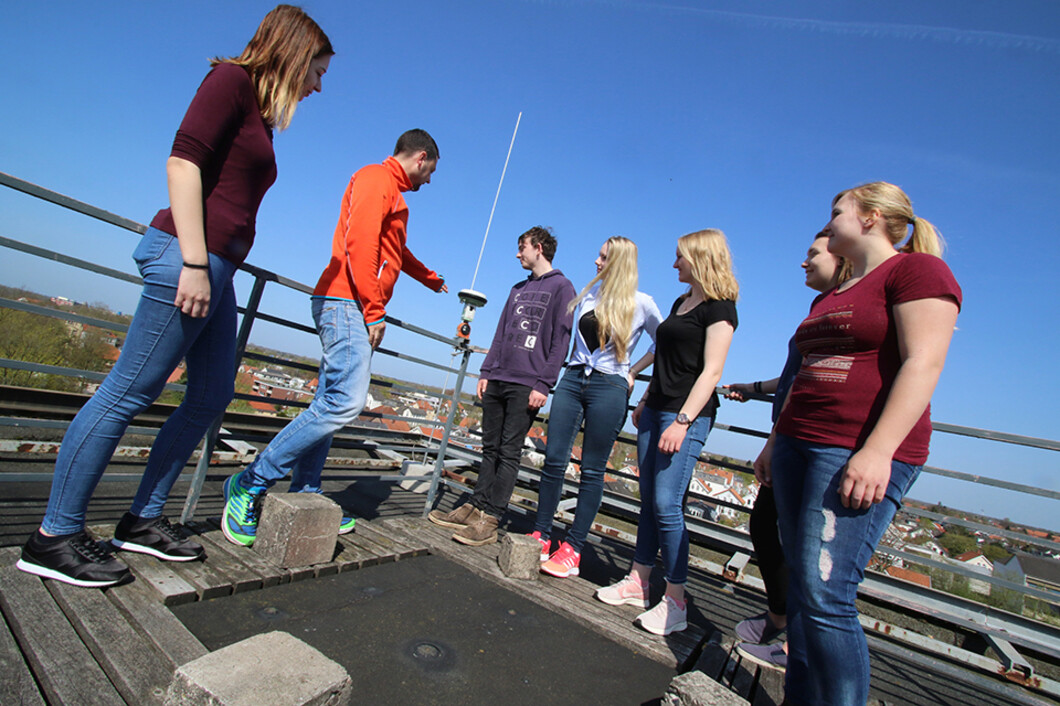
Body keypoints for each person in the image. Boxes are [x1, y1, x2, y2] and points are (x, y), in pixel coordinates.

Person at [16, 5, 333, 588]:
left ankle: (140, 520)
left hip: (219, 268)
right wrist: (191, 261)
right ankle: (53, 536)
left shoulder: (259, 113)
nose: (318, 84)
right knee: (125, 393)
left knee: (211, 395)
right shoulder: (229, 80)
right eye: (316, 69)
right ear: (291, 54)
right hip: (188, 259)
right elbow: (183, 162)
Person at [762, 183, 961, 705]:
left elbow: (924, 362)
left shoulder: (916, 272)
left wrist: (877, 451)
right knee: (805, 592)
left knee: (827, 595)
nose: (827, 224)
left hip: (852, 450)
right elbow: (804, 374)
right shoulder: (833, 294)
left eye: (836, 213)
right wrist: (774, 441)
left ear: (870, 218)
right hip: (798, 443)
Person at [222, 129, 448, 547]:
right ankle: (250, 482)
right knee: (345, 402)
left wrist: (429, 278)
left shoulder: (393, 196)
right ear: (420, 157)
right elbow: (360, 244)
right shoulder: (376, 180)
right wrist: (374, 310)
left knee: (328, 401)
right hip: (347, 303)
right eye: (430, 171)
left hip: (350, 303)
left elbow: (394, 250)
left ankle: (305, 491)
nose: (429, 181)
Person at [596, 229, 738, 636]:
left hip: (684, 416)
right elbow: (664, 356)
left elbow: (711, 371)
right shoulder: (680, 302)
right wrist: (640, 390)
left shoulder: (721, 307)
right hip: (656, 407)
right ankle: (639, 582)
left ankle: (675, 601)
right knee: (647, 501)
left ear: (699, 258)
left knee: (666, 504)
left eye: (680, 257)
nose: (674, 263)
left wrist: (682, 421)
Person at [721, 232, 846, 671]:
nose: (803, 262)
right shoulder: (820, 308)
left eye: (812, 253)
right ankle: (781, 618)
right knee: (767, 526)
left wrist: (775, 439)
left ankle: (793, 640)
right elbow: (793, 376)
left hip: (810, 441)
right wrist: (750, 389)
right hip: (789, 435)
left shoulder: (843, 312)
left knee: (799, 545)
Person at [428, 226, 575, 546]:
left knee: (509, 451)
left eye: (521, 247)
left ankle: (491, 517)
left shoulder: (563, 287)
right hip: (498, 377)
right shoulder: (517, 288)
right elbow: (500, 333)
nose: (517, 253)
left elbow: (561, 341)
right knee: (490, 447)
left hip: (527, 383)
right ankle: (474, 505)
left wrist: (544, 384)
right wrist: (485, 371)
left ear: (538, 248)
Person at [529, 236, 662, 578]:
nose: (596, 261)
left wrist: (633, 371)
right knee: (554, 458)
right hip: (573, 380)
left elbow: (664, 344)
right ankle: (540, 534)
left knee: (592, 469)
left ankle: (573, 548)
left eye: (603, 257)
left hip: (609, 385)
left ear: (618, 262)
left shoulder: (642, 303)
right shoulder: (589, 295)